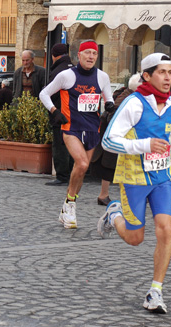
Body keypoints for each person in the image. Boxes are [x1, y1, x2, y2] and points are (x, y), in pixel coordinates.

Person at [98, 53, 171, 314]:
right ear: (147, 76)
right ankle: (114, 213)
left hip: (162, 176)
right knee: (135, 238)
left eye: (170, 72)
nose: (167, 78)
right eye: (162, 72)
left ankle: (155, 291)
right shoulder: (133, 104)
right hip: (135, 179)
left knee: (166, 229)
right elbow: (108, 141)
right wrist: (144, 145)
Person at [39, 40, 113, 229]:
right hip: (71, 128)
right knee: (81, 163)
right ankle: (71, 205)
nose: (90, 57)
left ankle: (67, 204)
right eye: (87, 53)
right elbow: (44, 94)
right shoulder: (66, 75)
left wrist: (111, 106)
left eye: (94, 54)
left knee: (81, 171)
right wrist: (55, 111)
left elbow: (108, 97)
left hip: (92, 129)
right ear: (79, 55)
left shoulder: (102, 76)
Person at [93, 73, 141, 205]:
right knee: (110, 167)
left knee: (115, 167)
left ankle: (108, 195)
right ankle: (104, 195)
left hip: (112, 136)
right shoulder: (127, 98)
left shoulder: (124, 94)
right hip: (114, 137)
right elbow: (113, 116)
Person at [45, 43, 74, 186]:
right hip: (74, 114)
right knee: (72, 144)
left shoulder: (58, 71)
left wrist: (53, 111)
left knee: (60, 145)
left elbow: (49, 93)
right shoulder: (74, 68)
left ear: (53, 56)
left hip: (60, 113)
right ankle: (72, 174)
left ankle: (62, 176)